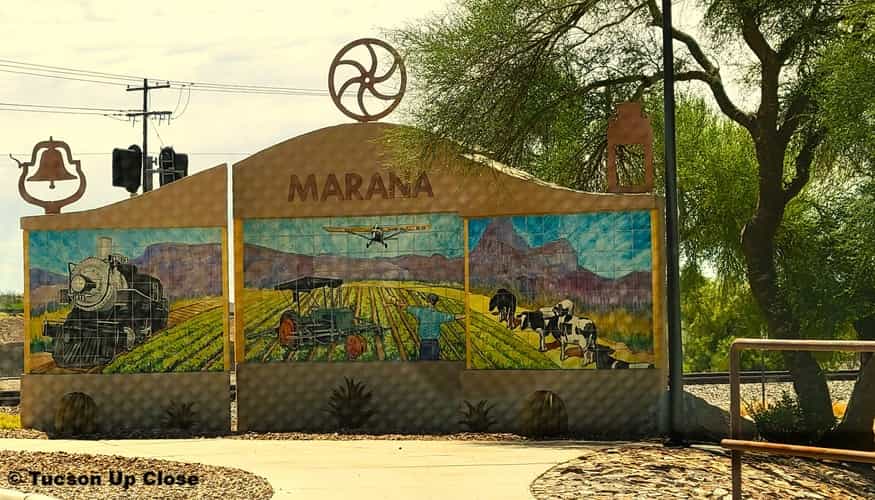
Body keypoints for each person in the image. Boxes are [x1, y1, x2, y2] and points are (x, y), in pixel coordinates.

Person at [395, 293, 464, 361]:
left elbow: (408, 308)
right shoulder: (439, 315)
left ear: (427, 301)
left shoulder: (421, 312)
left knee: (424, 365)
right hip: (434, 344)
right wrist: (464, 315)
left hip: (424, 343)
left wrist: (399, 304)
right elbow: (453, 317)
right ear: (436, 303)